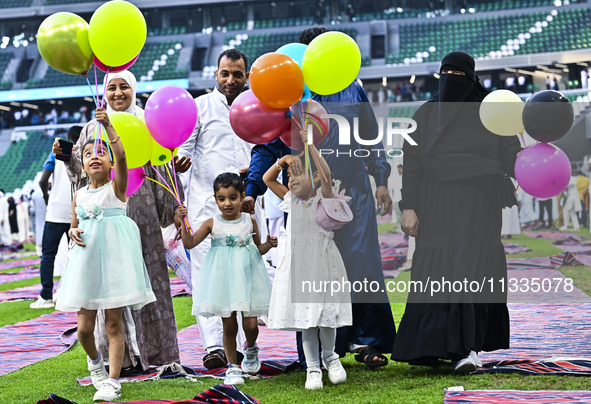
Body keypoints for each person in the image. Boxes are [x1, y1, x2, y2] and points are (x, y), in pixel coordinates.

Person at [245, 26, 396, 369]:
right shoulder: (287, 90)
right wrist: (252, 189)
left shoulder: (351, 87)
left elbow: (370, 137)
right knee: (312, 270)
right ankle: (317, 352)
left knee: (361, 264)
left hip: (353, 189)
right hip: (305, 197)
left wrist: (381, 178)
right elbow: (267, 144)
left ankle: (368, 342)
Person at [391, 51, 522, 373]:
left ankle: (469, 348)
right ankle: (433, 346)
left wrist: (524, 163)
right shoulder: (425, 114)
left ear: (472, 77)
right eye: (445, 73)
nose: (451, 79)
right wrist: (409, 207)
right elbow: (415, 166)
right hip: (437, 205)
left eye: (458, 74)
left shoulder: (492, 111)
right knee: (438, 273)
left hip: (480, 204)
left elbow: (509, 151)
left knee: (473, 271)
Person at [53, 71, 188, 371]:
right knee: (108, 287)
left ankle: (158, 355)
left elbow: (161, 166)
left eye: (124, 86)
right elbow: (83, 176)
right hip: (102, 221)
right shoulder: (92, 126)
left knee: (149, 282)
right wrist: (67, 160)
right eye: (111, 87)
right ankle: (120, 360)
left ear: (134, 90)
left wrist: (173, 203)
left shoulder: (148, 122)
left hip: (142, 212)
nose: (117, 93)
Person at [55, 109, 156, 402]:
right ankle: (95, 361)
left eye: (101, 152)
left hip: (114, 265)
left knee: (114, 324)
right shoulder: (79, 195)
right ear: (83, 165)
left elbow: (123, 157)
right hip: (86, 266)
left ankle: (113, 382)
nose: (95, 156)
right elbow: (74, 227)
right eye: (88, 154)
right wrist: (73, 232)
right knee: (84, 330)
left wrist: (108, 127)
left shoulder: (117, 189)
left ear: (110, 162)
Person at [178, 49, 256, 369]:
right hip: (205, 208)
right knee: (206, 277)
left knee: (241, 276)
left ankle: (239, 346)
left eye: (237, 74)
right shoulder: (198, 107)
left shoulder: (256, 107)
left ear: (247, 76)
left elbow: (260, 151)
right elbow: (182, 148)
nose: (230, 80)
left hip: (244, 207)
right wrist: (181, 161)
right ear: (216, 74)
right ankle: (214, 347)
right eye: (225, 73)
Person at [263, 132, 352, 390]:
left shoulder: (323, 198)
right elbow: (267, 178)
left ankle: (331, 357)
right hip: (299, 268)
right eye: (289, 177)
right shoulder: (290, 201)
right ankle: (312, 367)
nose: (290, 180)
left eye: (296, 175)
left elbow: (325, 175)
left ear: (313, 178)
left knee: (326, 315)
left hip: (322, 266)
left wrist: (310, 146)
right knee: (306, 321)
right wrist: (284, 162)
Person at [176, 173, 276, 385]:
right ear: (215, 199)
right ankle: (232, 366)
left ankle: (250, 350)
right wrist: (182, 223)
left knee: (250, 325)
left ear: (242, 197)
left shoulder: (250, 221)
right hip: (224, 281)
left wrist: (268, 244)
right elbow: (190, 243)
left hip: (248, 277)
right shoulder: (212, 223)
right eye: (221, 198)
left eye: (232, 197)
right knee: (229, 326)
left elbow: (258, 249)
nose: (227, 203)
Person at [30, 126, 81, 309]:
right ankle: (73, 294)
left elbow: (43, 180)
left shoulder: (56, 153)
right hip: (76, 212)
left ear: (67, 138)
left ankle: (46, 296)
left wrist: (46, 196)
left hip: (55, 212)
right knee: (77, 255)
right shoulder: (85, 153)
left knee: (48, 255)